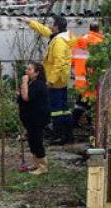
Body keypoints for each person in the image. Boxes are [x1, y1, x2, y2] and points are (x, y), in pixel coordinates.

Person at [21, 16, 74, 145]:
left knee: (55, 109)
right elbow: (45, 31)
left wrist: (50, 80)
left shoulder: (59, 42)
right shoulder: (63, 36)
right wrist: (31, 22)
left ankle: (59, 135)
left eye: (52, 24)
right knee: (63, 108)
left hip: (55, 81)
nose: (50, 26)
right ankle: (67, 135)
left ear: (57, 26)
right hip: (61, 80)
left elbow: (59, 63)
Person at [17, 62, 51, 175]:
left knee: (37, 140)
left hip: (37, 118)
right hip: (29, 118)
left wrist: (24, 82)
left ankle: (43, 166)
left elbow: (26, 97)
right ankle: (36, 163)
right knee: (31, 140)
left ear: (37, 73)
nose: (27, 71)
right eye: (27, 69)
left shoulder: (39, 84)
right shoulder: (31, 83)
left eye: (30, 69)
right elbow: (22, 96)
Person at [71, 22, 104, 128]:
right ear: (98, 30)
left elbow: (72, 60)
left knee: (81, 101)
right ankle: (92, 126)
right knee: (91, 103)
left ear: (89, 29)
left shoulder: (80, 40)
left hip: (80, 79)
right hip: (93, 79)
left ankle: (74, 122)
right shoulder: (100, 42)